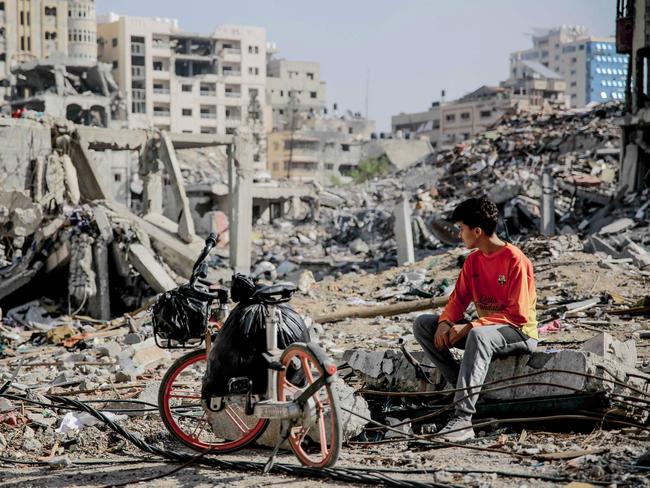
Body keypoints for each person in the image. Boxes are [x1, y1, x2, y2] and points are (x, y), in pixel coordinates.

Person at [413, 197, 538, 442]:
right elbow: (458, 299)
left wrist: (471, 325)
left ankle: (462, 419)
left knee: (479, 336)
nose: (459, 235)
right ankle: (461, 385)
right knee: (423, 324)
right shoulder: (473, 261)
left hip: (519, 333)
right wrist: (445, 323)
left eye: (461, 229)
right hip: (487, 332)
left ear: (477, 231)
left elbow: (518, 314)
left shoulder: (515, 260)